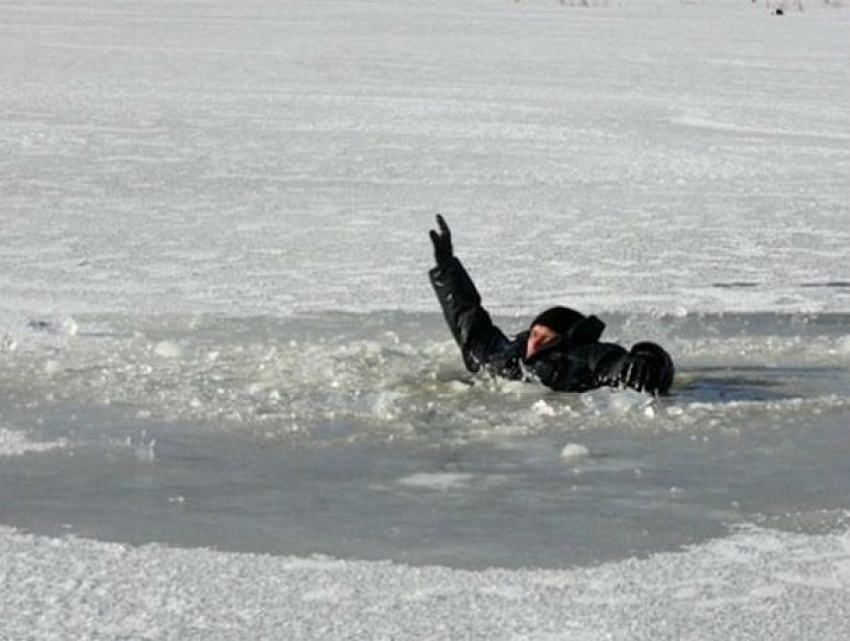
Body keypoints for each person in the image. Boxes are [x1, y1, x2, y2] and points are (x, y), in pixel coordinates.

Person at [428, 215, 674, 394]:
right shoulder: (504, 355)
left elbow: (620, 365)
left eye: (547, 337)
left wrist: (648, 358)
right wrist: (447, 267)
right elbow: (469, 319)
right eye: (535, 333)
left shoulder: (584, 357)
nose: (535, 342)